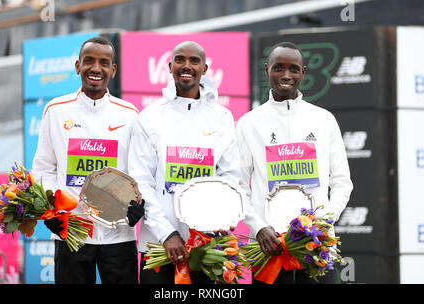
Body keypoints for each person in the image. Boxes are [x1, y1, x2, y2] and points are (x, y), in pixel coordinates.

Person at [236, 41, 353, 284]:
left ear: (303, 72)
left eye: (293, 69)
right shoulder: (249, 123)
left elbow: (342, 183)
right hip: (268, 248)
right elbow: (238, 186)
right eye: (279, 67)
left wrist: (321, 223)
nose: (286, 75)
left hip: (316, 247)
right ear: (267, 70)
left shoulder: (324, 119)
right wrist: (258, 227)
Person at [32, 36, 145, 284]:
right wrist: (52, 210)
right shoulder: (56, 109)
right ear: (77, 66)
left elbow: (139, 172)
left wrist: (139, 204)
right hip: (72, 233)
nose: (96, 68)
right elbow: (43, 169)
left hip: (119, 235)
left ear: (113, 70)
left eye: (104, 62)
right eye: (88, 61)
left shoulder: (130, 115)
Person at [128, 41, 241, 284]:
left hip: (207, 246)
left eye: (194, 61)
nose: (186, 66)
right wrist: (167, 234)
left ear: (205, 68)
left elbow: (230, 178)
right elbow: (141, 182)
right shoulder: (150, 116)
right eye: (180, 60)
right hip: (158, 247)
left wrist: (214, 225)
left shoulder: (221, 118)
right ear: (169, 66)